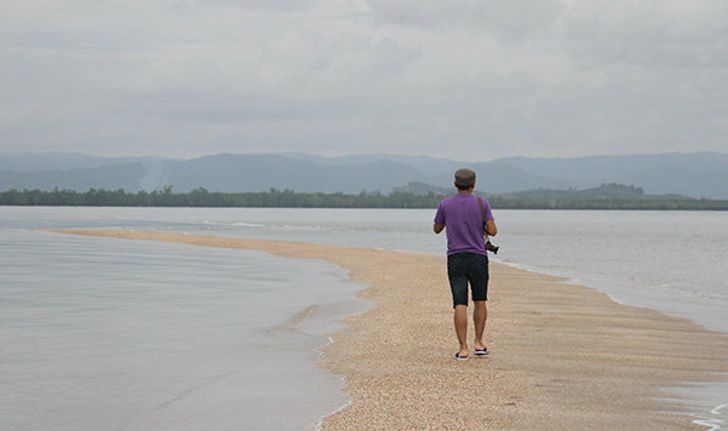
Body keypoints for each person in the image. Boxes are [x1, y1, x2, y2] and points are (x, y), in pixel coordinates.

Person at [433, 168, 497, 361]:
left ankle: (463, 348)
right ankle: (478, 342)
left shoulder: (445, 204)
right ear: (473, 184)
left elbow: (437, 229)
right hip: (478, 257)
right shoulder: (481, 203)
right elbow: (493, 231)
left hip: (456, 257)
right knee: (480, 299)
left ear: (455, 184)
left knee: (460, 302)